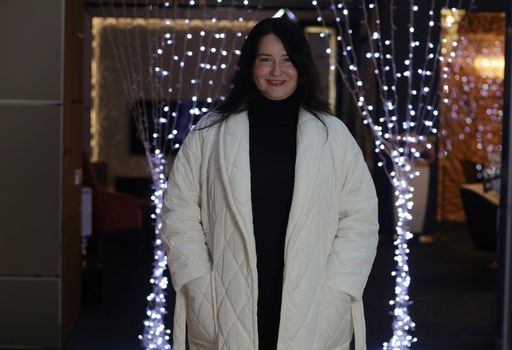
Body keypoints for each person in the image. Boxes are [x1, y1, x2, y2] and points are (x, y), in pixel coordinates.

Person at [162, 17, 379, 350]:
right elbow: (180, 211)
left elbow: (360, 218)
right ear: (251, 65)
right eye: (266, 59)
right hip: (226, 297)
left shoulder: (332, 136)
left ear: (302, 66)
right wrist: (197, 280)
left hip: (312, 301)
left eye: (287, 59)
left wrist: (339, 287)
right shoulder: (209, 133)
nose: (276, 70)